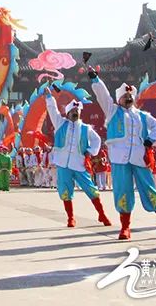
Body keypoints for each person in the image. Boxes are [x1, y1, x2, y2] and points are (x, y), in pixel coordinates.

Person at [90, 70, 156, 241]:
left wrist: (150, 141)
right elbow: (103, 95)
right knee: (123, 191)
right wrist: (95, 79)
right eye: (125, 96)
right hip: (119, 159)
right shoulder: (112, 111)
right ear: (119, 99)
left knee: (150, 190)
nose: (128, 98)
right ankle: (125, 227)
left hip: (139, 158)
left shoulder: (142, 116)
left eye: (130, 96)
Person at [45, 89, 111, 227]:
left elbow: (97, 140)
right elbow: (52, 110)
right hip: (63, 163)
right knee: (65, 191)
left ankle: (102, 214)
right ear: (68, 113)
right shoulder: (60, 123)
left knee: (91, 190)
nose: (75, 113)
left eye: (77, 111)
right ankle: (70, 218)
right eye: (73, 111)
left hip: (79, 164)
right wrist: (49, 97)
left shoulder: (86, 128)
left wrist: (90, 152)